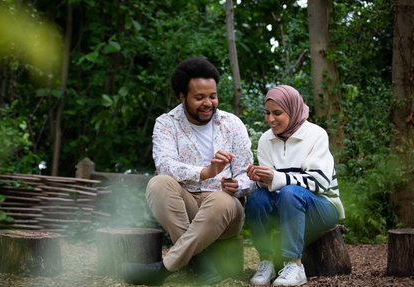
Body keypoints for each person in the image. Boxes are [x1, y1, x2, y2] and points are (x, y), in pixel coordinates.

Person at [121, 57, 253, 286]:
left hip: (226, 212)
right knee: (158, 183)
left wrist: (238, 185)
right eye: (199, 97)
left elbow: (248, 176)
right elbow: (165, 166)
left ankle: (163, 269)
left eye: (212, 96)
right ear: (182, 96)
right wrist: (205, 171)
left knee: (220, 201)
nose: (208, 103)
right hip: (186, 206)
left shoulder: (233, 124)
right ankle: (202, 264)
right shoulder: (165, 123)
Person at [245, 85, 345, 286]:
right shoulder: (266, 140)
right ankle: (266, 261)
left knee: (291, 193)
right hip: (285, 207)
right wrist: (259, 178)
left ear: (293, 110)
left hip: (322, 207)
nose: (270, 119)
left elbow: (320, 182)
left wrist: (277, 177)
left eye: (277, 113)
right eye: (267, 113)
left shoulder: (316, 135)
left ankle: (295, 266)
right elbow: (269, 188)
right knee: (256, 198)